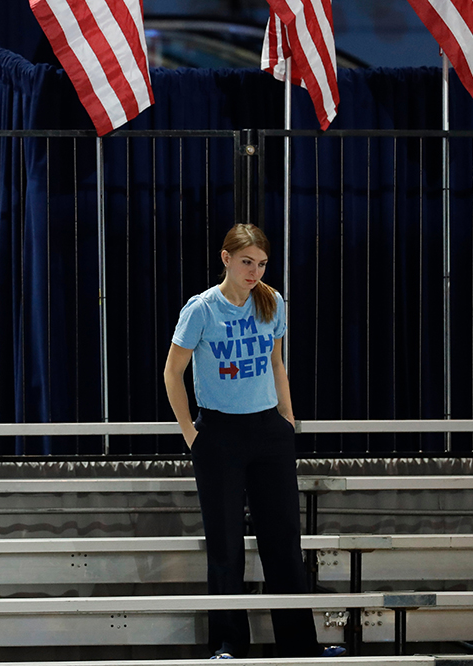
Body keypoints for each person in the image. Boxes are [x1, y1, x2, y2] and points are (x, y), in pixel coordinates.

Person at [163, 224, 344, 659]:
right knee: (225, 545)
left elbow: (276, 362)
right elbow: (173, 372)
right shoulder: (202, 309)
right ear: (226, 258)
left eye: (261, 264)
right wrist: (192, 433)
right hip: (220, 433)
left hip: (268, 432)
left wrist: (287, 418)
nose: (255, 271)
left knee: (283, 541)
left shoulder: (272, 300)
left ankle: (300, 645)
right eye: (247, 262)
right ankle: (227, 643)